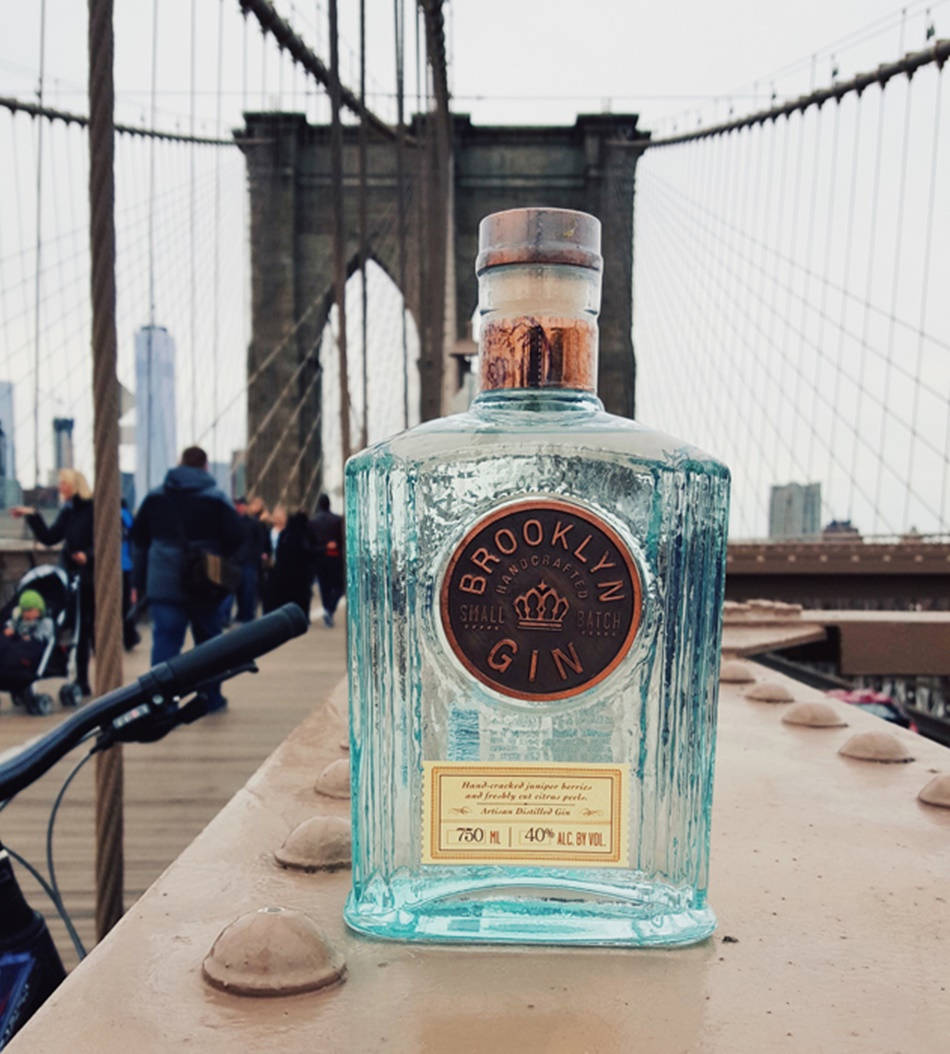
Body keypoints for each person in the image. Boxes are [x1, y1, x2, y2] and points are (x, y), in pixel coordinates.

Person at [130, 445, 242, 711]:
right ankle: (210, 697)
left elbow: (138, 542)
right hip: (206, 583)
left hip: (164, 584)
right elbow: (237, 539)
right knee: (209, 645)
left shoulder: (155, 497)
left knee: (166, 643)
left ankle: (161, 702)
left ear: (179, 463)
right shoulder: (217, 499)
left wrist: (139, 583)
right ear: (205, 467)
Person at [12, 469, 95, 696]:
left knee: (86, 627)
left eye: (64, 484)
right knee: (74, 626)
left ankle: (84, 678)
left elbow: (108, 540)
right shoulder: (69, 511)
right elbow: (51, 537)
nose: (60, 488)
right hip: (71, 575)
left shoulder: (92, 509)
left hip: (90, 577)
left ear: (75, 485)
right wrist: (32, 515)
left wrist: (89, 555)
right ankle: (79, 678)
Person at [263, 510, 314, 616]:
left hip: (282, 573)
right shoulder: (305, 536)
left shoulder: (285, 535)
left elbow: (280, 553)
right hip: (300, 576)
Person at [232, 495, 270, 624]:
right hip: (239, 560)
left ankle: (248, 614)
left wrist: (258, 555)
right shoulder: (237, 522)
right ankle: (242, 613)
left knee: (248, 589)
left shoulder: (254, 523)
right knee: (240, 589)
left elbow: (260, 542)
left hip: (249, 561)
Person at [308, 493, 345, 627]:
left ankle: (327, 608)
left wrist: (322, 547)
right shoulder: (337, 520)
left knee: (324, 586)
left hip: (320, 559)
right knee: (339, 586)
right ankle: (330, 608)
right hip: (335, 558)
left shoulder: (312, 522)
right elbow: (342, 541)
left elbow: (310, 544)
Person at [120, 498, 141, 650]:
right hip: (126, 566)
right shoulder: (127, 517)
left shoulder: (117, 516)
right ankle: (129, 638)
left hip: (115, 566)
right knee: (126, 607)